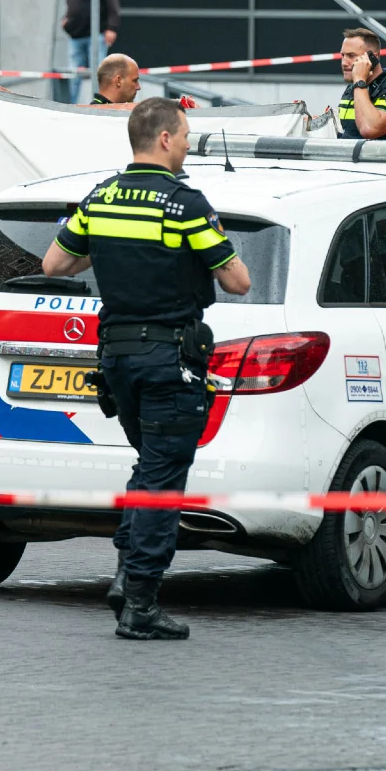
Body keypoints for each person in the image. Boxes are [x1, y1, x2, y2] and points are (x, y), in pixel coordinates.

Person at [41, 97, 252, 640]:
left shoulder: (102, 196)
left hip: (115, 359)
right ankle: (140, 604)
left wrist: (109, 248)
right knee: (163, 479)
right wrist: (209, 246)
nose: (186, 145)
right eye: (184, 136)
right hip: (168, 359)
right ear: (163, 139)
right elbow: (237, 282)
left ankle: (124, 575)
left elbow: (55, 263)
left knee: (150, 466)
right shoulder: (184, 203)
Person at [336, 28, 386, 140]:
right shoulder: (353, 89)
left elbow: (369, 129)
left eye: (351, 55)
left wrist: (360, 81)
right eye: (343, 56)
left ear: (373, 57)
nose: (344, 63)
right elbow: (348, 134)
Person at [59, 0, 120, 103]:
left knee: (98, 73)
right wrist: (66, 20)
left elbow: (112, 1)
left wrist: (112, 27)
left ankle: (99, 104)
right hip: (75, 36)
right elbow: (72, 4)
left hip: (96, 35)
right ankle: (70, 107)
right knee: (74, 76)